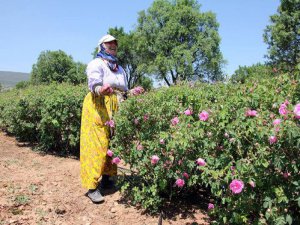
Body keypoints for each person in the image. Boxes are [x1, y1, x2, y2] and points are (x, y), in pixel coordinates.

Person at [80, 34, 143, 203]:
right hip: (98, 106)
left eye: (115, 44)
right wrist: (102, 89)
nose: (113, 46)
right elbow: (94, 85)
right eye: (109, 45)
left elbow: (122, 91)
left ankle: (107, 180)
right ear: (102, 47)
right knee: (97, 145)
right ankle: (92, 187)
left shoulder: (119, 68)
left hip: (115, 107)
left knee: (112, 143)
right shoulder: (96, 64)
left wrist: (131, 92)